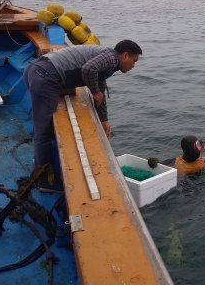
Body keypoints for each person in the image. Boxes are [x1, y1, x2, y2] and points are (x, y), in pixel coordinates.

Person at [23, 40, 142, 185]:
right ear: (125, 55)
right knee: (44, 131)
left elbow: (100, 88)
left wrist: (104, 120)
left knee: (42, 126)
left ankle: (42, 159)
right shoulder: (111, 58)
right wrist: (94, 91)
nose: (133, 66)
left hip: (37, 70)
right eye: (134, 61)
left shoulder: (108, 60)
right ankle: (42, 180)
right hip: (45, 76)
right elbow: (88, 69)